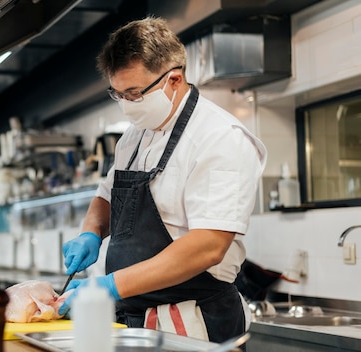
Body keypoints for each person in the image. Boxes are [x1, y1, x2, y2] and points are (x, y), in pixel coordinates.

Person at [58, 16, 266, 344]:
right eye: (118, 94)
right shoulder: (134, 136)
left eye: (135, 93)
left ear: (173, 79)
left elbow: (208, 246)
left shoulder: (220, 138)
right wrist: (91, 232)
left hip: (192, 322)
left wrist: (110, 286)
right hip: (134, 318)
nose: (126, 105)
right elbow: (107, 197)